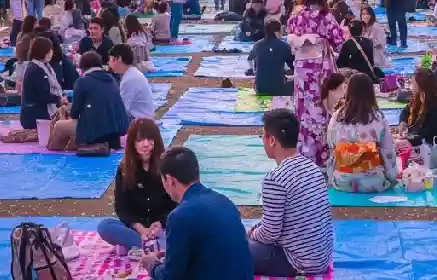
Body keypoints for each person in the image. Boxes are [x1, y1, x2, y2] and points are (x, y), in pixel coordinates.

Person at [141, 147, 253, 280]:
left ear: (170, 180)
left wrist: (152, 265)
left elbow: (170, 277)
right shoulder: (224, 201)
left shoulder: (179, 216)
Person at [249, 109, 334, 277]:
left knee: (233, 248)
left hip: (298, 261)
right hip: (322, 257)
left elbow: (269, 234)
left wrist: (252, 234)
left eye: (263, 137)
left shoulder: (275, 179)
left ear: (272, 140)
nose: (263, 142)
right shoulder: (312, 168)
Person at [287, 0, 346, 167]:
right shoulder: (325, 16)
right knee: (322, 106)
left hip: (302, 69)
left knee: (303, 108)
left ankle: (304, 154)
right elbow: (338, 39)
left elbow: (290, 34)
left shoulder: (296, 14)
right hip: (321, 68)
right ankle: (323, 153)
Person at [99, 119, 176, 251]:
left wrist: (160, 223)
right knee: (105, 226)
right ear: (132, 143)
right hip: (136, 230)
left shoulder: (167, 166)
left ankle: (137, 246)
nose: (145, 144)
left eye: (150, 139)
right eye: (140, 140)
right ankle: (149, 246)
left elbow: (176, 204)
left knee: (183, 230)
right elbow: (121, 207)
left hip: (163, 228)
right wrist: (138, 227)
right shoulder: (124, 169)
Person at [327, 72, 398, 193]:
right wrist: (392, 176)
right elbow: (388, 150)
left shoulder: (337, 117)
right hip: (373, 181)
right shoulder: (378, 117)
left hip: (342, 181)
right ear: (371, 92)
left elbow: (331, 145)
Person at [66, 51, 130, 151]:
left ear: (82, 66)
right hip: (115, 131)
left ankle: (55, 154)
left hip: (95, 132)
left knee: (58, 128)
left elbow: (74, 113)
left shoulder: (82, 82)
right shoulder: (111, 79)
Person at [398, 69, 437, 145]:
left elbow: (427, 134)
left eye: (413, 83)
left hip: (436, 146)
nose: (411, 87)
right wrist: (403, 122)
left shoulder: (436, 106)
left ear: (421, 85)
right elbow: (406, 111)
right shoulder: (419, 98)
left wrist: (408, 137)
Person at [19, 37, 65, 130]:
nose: (51, 52)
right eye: (49, 50)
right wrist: (59, 100)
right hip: (35, 116)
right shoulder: (36, 70)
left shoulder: (44, 66)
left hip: (38, 112)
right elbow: (43, 95)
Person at [110, 44, 155, 120]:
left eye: (110, 59)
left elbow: (122, 109)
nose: (109, 63)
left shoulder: (129, 79)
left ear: (118, 59)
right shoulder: (132, 73)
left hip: (140, 122)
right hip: (144, 118)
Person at [250, 20, 294, 96]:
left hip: (260, 88)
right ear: (277, 31)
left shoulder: (257, 44)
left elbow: (250, 61)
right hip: (278, 89)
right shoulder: (284, 46)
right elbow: (293, 66)